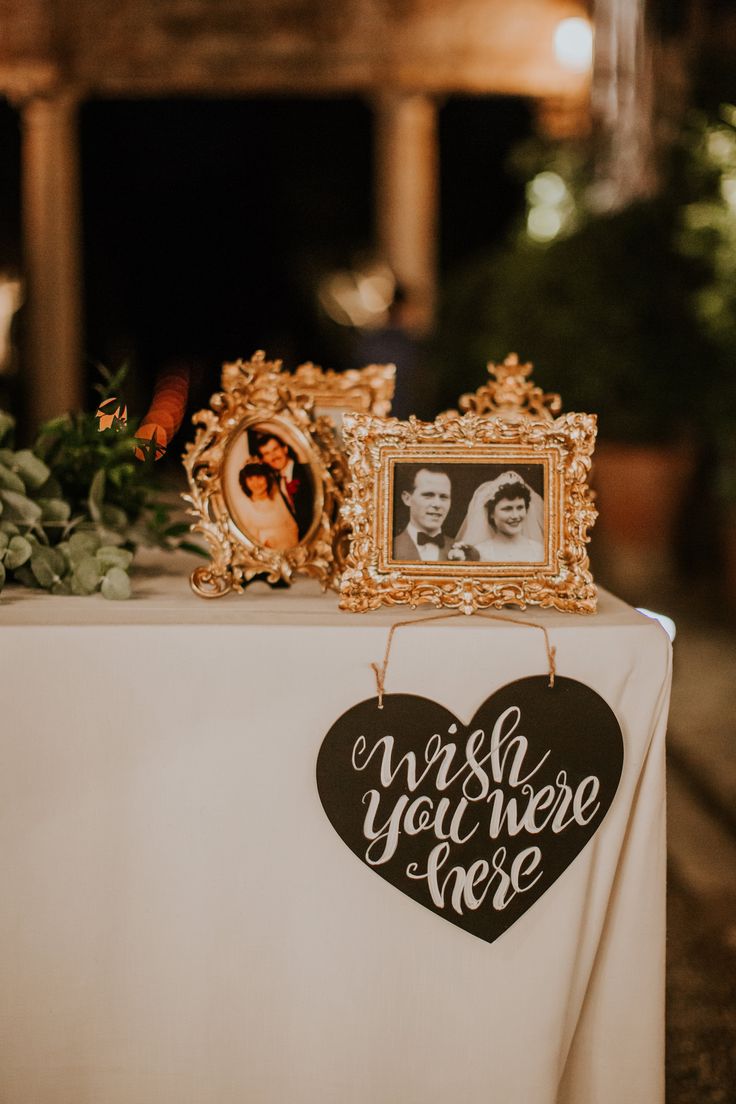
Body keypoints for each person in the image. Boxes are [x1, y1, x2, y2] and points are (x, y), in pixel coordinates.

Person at [454, 471, 545, 563]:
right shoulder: (479, 553)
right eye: (507, 509)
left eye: (520, 507)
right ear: (491, 513)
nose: (515, 515)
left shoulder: (539, 551)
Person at [254, 432, 313, 539]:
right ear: (263, 460)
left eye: (275, 449)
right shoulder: (277, 482)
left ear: (285, 449)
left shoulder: (307, 471)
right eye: (267, 453)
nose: (273, 456)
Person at [393, 466, 456, 561]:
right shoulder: (388, 549)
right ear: (407, 499)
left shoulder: (467, 554)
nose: (437, 504)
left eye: (444, 497)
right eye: (428, 495)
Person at [237, 461, 299, 550]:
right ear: (245, 482)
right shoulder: (244, 506)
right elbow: (247, 540)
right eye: (250, 479)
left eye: (259, 477)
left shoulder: (278, 496)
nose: (256, 483)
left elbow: (292, 526)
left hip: (291, 547)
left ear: (267, 478)